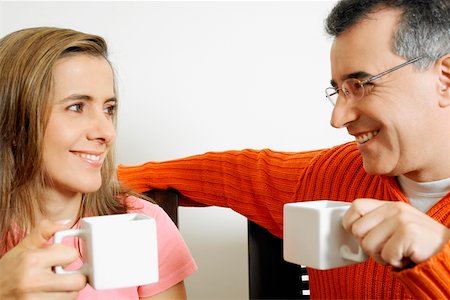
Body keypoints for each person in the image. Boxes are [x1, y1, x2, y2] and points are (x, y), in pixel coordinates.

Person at [118, 0, 450, 298]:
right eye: (338, 91)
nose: (338, 118)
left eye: (361, 85)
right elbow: (228, 173)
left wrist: (439, 254)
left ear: (445, 79)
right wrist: (83, 177)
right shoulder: (327, 176)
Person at [0, 27, 197, 299]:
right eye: (77, 107)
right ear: (14, 119)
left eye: (109, 109)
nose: (107, 132)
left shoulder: (141, 223)